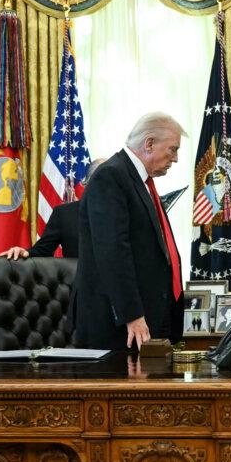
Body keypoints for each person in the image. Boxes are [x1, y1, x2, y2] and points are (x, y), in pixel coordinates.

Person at [72, 113, 185, 351]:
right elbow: (112, 252)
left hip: (148, 317)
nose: (175, 158)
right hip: (120, 327)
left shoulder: (139, 181)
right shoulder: (111, 176)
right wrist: (131, 315)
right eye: (173, 149)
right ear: (149, 143)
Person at [2, 158, 106, 260]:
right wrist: (24, 252)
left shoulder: (121, 213)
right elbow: (42, 251)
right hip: (77, 276)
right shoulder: (65, 214)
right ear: (86, 185)